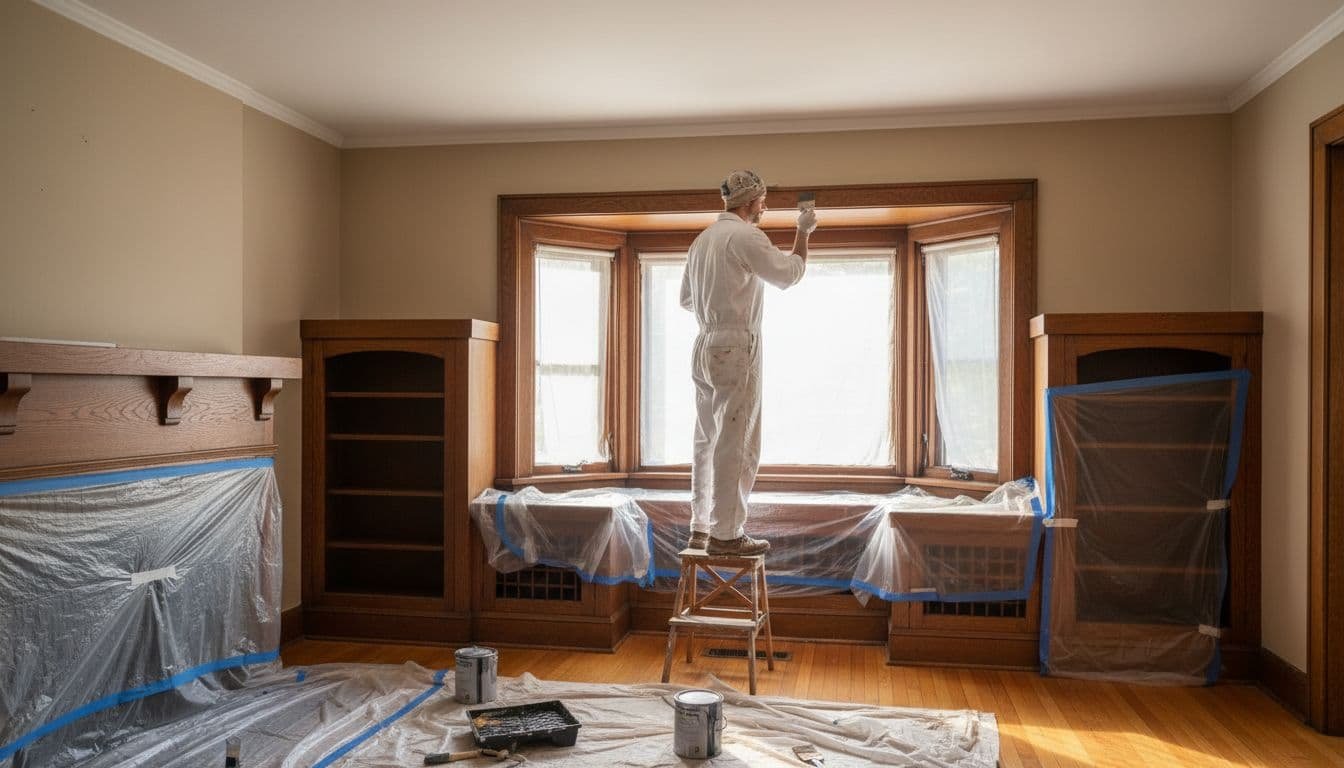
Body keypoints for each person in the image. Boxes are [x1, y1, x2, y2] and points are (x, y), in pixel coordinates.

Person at [679, 170, 817, 555]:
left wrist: (724, 293)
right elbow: (790, 274)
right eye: (762, 201)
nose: (764, 207)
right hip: (735, 344)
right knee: (737, 442)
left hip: (704, 343)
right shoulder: (745, 236)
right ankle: (727, 536)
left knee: (707, 438)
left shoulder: (702, 240)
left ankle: (701, 527)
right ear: (751, 202)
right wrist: (803, 231)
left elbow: (687, 300)